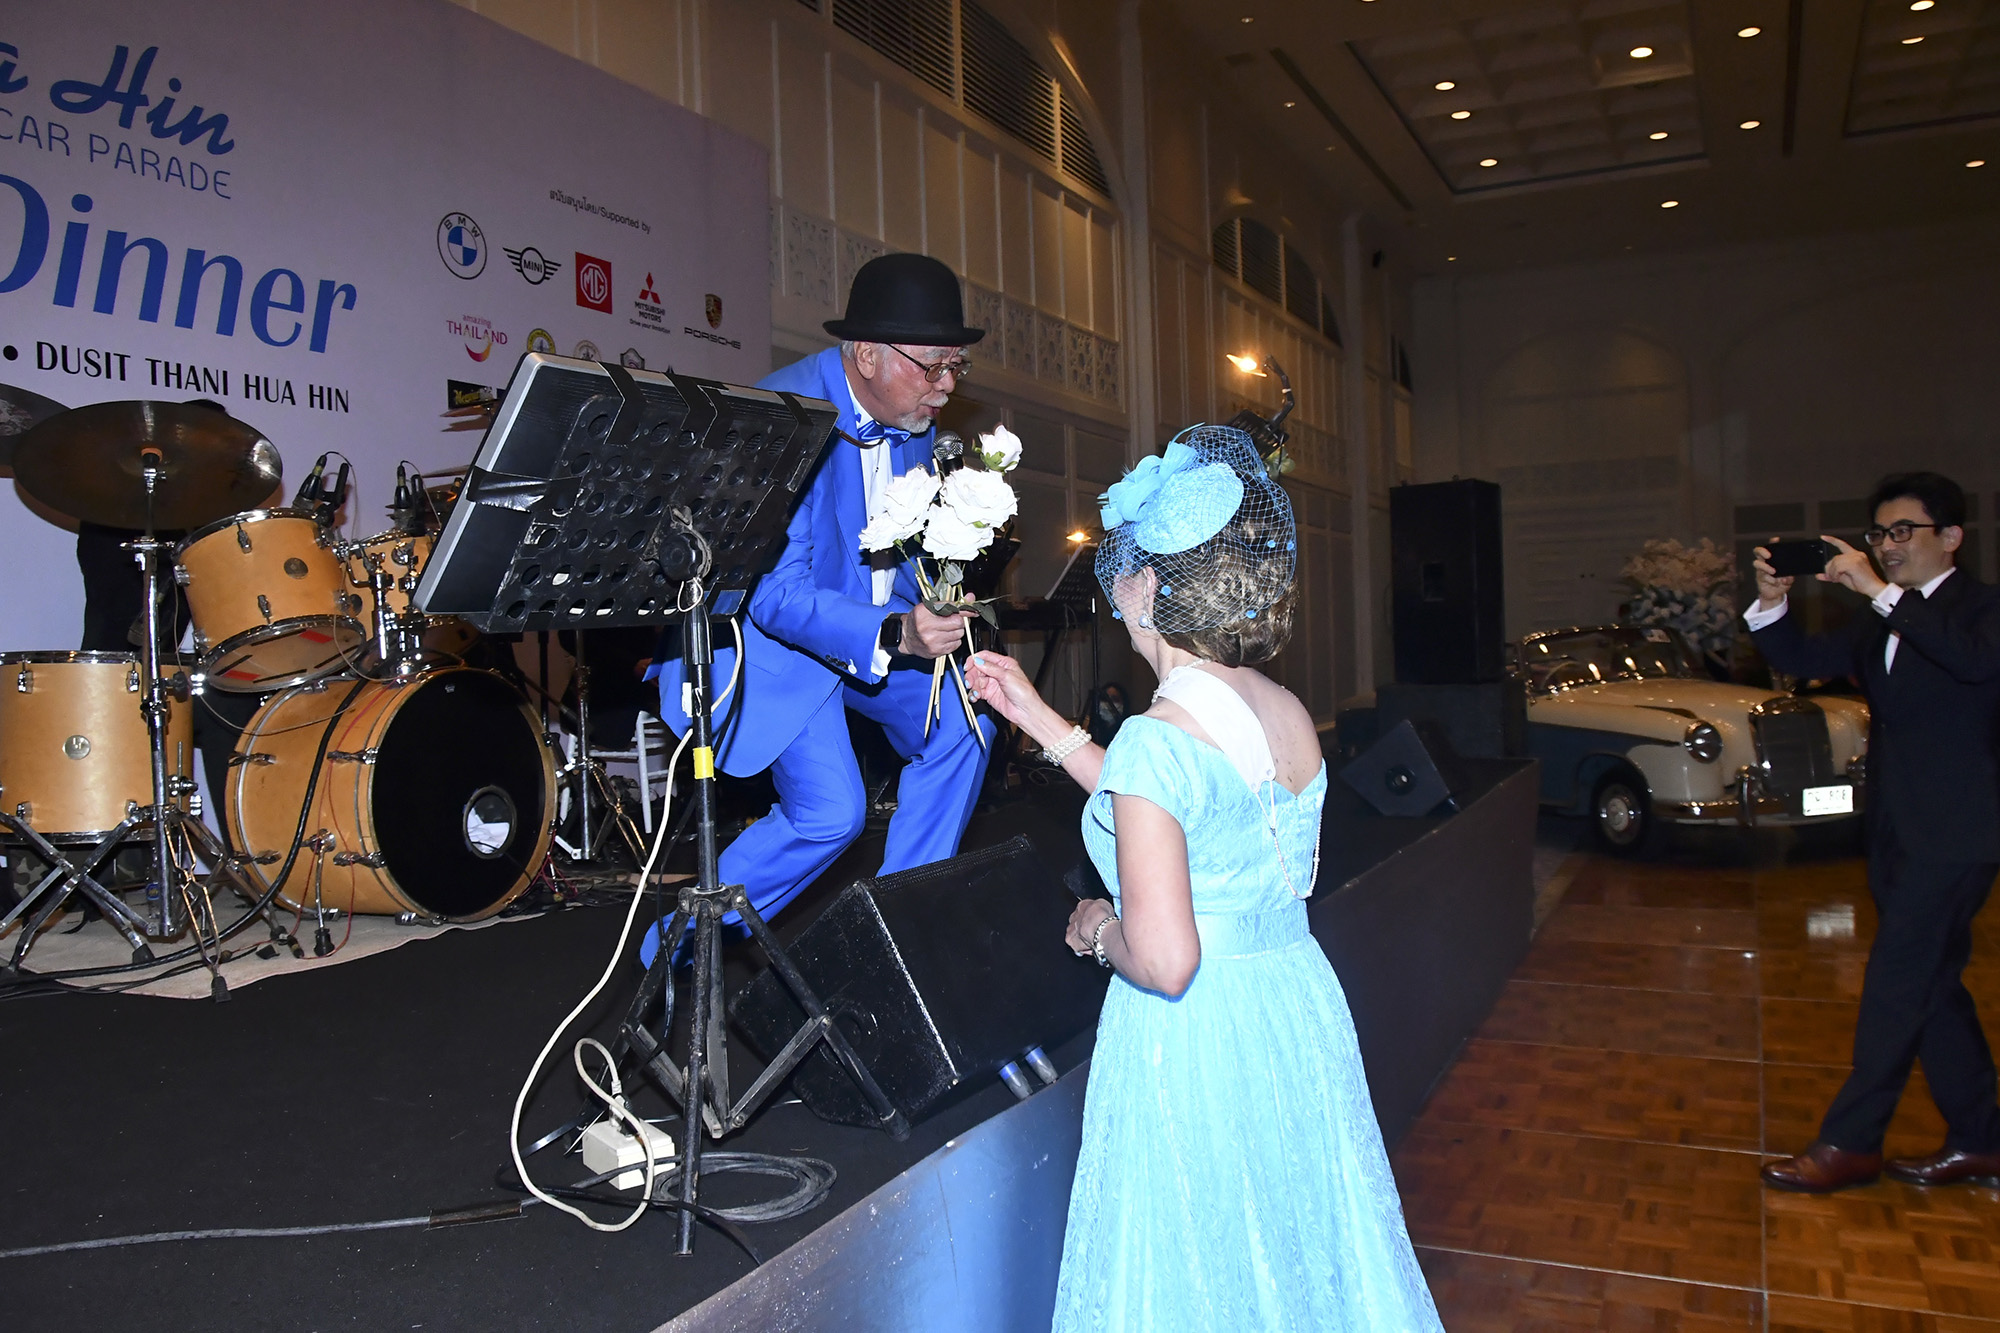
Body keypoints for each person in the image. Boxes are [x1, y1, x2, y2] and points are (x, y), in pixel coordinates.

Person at [963, 425, 1443, 1332]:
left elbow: (1168, 958)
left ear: (1150, 588)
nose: (1115, 588)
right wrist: (1037, 715)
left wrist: (1097, 929)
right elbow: (1187, 811)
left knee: (1194, 1260)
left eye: (1124, 571)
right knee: (1292, 1245)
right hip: (1291, 1005)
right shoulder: (1280, 707)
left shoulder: (1158, 739)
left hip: (1194, 1032)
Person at [645, 253, 993, 954]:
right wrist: (897, 633)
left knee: (968, 720)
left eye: (956, 366)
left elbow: (892, 550)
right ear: (866, 355)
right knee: (833, 814)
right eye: (933, 367)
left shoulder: (914, 419)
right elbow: (774, 595)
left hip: (867, 632)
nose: (948, 386)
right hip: (774, 649)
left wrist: (939, 597)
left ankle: (894, 936)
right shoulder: (779, 418)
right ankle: (676, 948)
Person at [1750, 471, 2000, 1192]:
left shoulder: (1981, 609)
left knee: (1895, 981)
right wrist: (1772, 603)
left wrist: (1881, 594)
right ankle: (1982, 1139)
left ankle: (1851, 1143)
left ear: (1950, 537)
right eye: (1880, 534)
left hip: (1960, 833)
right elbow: (1802, 659)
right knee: (1932, 984)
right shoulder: (1881, 620)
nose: (1887, 546)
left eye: (1903, 532)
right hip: (1895, 829)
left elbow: (1973, 663)